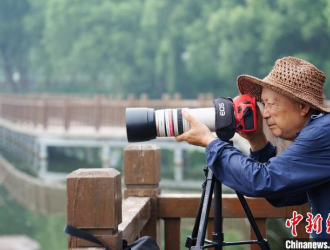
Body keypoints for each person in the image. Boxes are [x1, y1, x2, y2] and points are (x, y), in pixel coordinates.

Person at [176, 56, 330, 239]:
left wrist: (211, 143)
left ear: (303, 106)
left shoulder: (322, 133)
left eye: (271, 103)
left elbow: (261, 181)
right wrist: (258, 141)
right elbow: (284, 194)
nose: (264, 114)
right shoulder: (319, 132)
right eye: (263, 104)